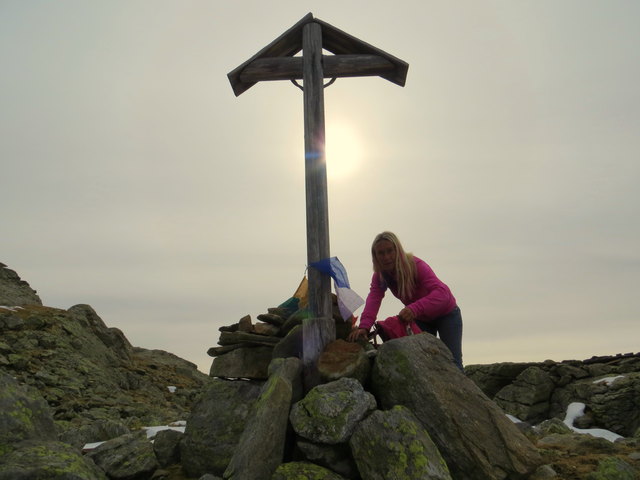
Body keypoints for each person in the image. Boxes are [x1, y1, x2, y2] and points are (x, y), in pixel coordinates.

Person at [348, 231, 463, 370]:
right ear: (375, 257)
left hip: (447, 315)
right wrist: (364, 327)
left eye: (390, 251)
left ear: (398, 250)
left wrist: (414, 309)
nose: (386, 257)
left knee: (453, 362)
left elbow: (443, 293)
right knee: (427, 363)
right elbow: (374, 299)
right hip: (422, 320)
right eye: (381, 253)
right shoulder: (381, 276)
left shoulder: (416, 265)